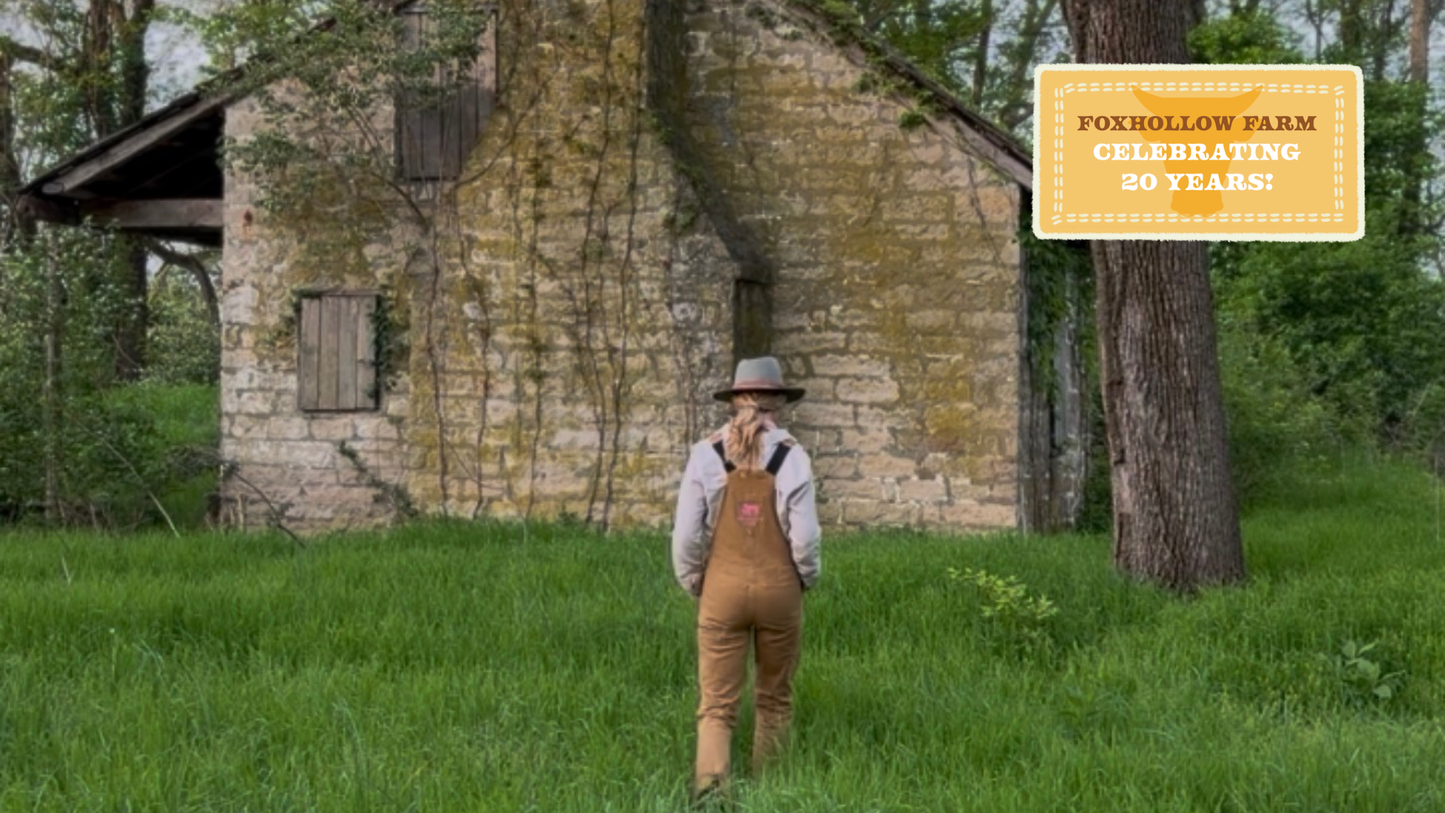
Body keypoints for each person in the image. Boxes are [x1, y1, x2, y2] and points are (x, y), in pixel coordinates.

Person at [671, 356, 822, 803]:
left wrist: (693, 580)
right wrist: (805, 580)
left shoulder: (706, 454)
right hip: (779, 591)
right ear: (778, 403)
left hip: (721, 590)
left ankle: (711, 793)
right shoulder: (792, 455)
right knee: (775, 699)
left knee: (716, 704)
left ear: (736, 399)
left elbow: (685, 535)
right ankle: (770, 794)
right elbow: (806, 538)